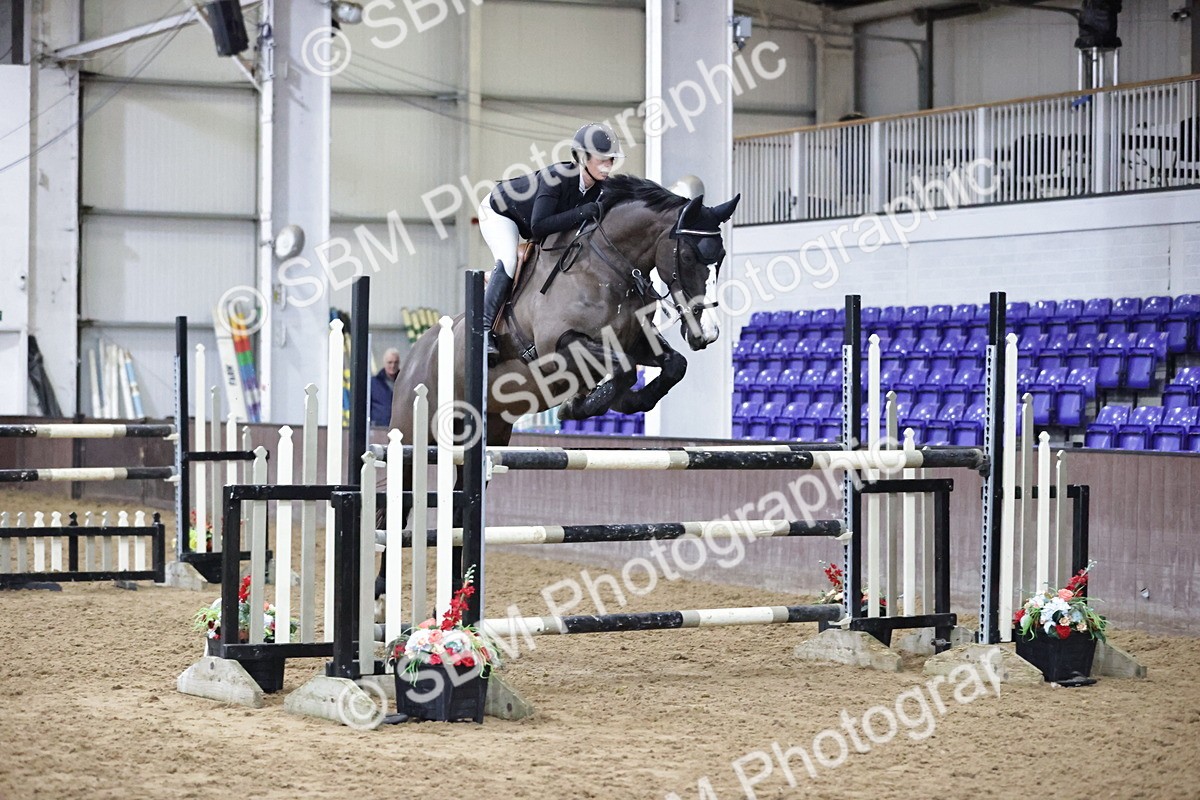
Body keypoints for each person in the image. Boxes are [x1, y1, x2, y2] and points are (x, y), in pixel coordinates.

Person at [477, 122, 624, 361]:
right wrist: (582, 212)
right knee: (508, 260)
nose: (608, 166)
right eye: (602, 160)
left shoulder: (599, 189)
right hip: (500, 212)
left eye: (611, 160)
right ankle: (483, 331)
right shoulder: (557, 177)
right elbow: (539, 225)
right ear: (583, 158)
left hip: (531, 222)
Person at [370, 348, 401, 427]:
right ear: (384, 363)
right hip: (378, 428)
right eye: (390, 362)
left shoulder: (405, 382)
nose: (393, 365)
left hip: (399, 426)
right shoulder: (373, 383)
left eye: (396, 362)